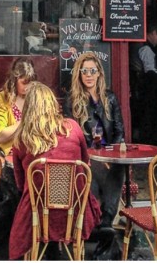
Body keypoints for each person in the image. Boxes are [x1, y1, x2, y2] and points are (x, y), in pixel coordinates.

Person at [9, 81, 101, 260]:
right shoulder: (73, 128)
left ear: (28, 107)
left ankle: (41, 251)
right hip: (74, 212)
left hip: (38, 214)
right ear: (53, 104)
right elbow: (85, 164)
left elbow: (21, 184)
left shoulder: (21, 139)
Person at [66, 52, 125, 231]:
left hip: (109, 155)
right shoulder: (72, 101)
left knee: (118, 167)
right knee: (90, 170)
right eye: (85, 71)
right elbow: (72, 135)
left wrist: (112, 155)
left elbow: (119, 131)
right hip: (86, 156)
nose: (89, 75)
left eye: (92, 71)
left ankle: (106, 220)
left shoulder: (110, 98)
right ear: (79, 74)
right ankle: (100, 224)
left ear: (99, 73)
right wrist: (89, 156)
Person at [0, 58, 37, 261]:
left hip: (34, 154)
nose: (28, 86)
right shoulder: (1, 99)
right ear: (14, 80)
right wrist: (24, 120)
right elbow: (0, 135)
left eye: (31, 81)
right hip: (9, 154)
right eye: (24, 81)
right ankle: (11, 247)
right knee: (11, 190)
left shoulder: (37, 98)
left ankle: (39, 244)